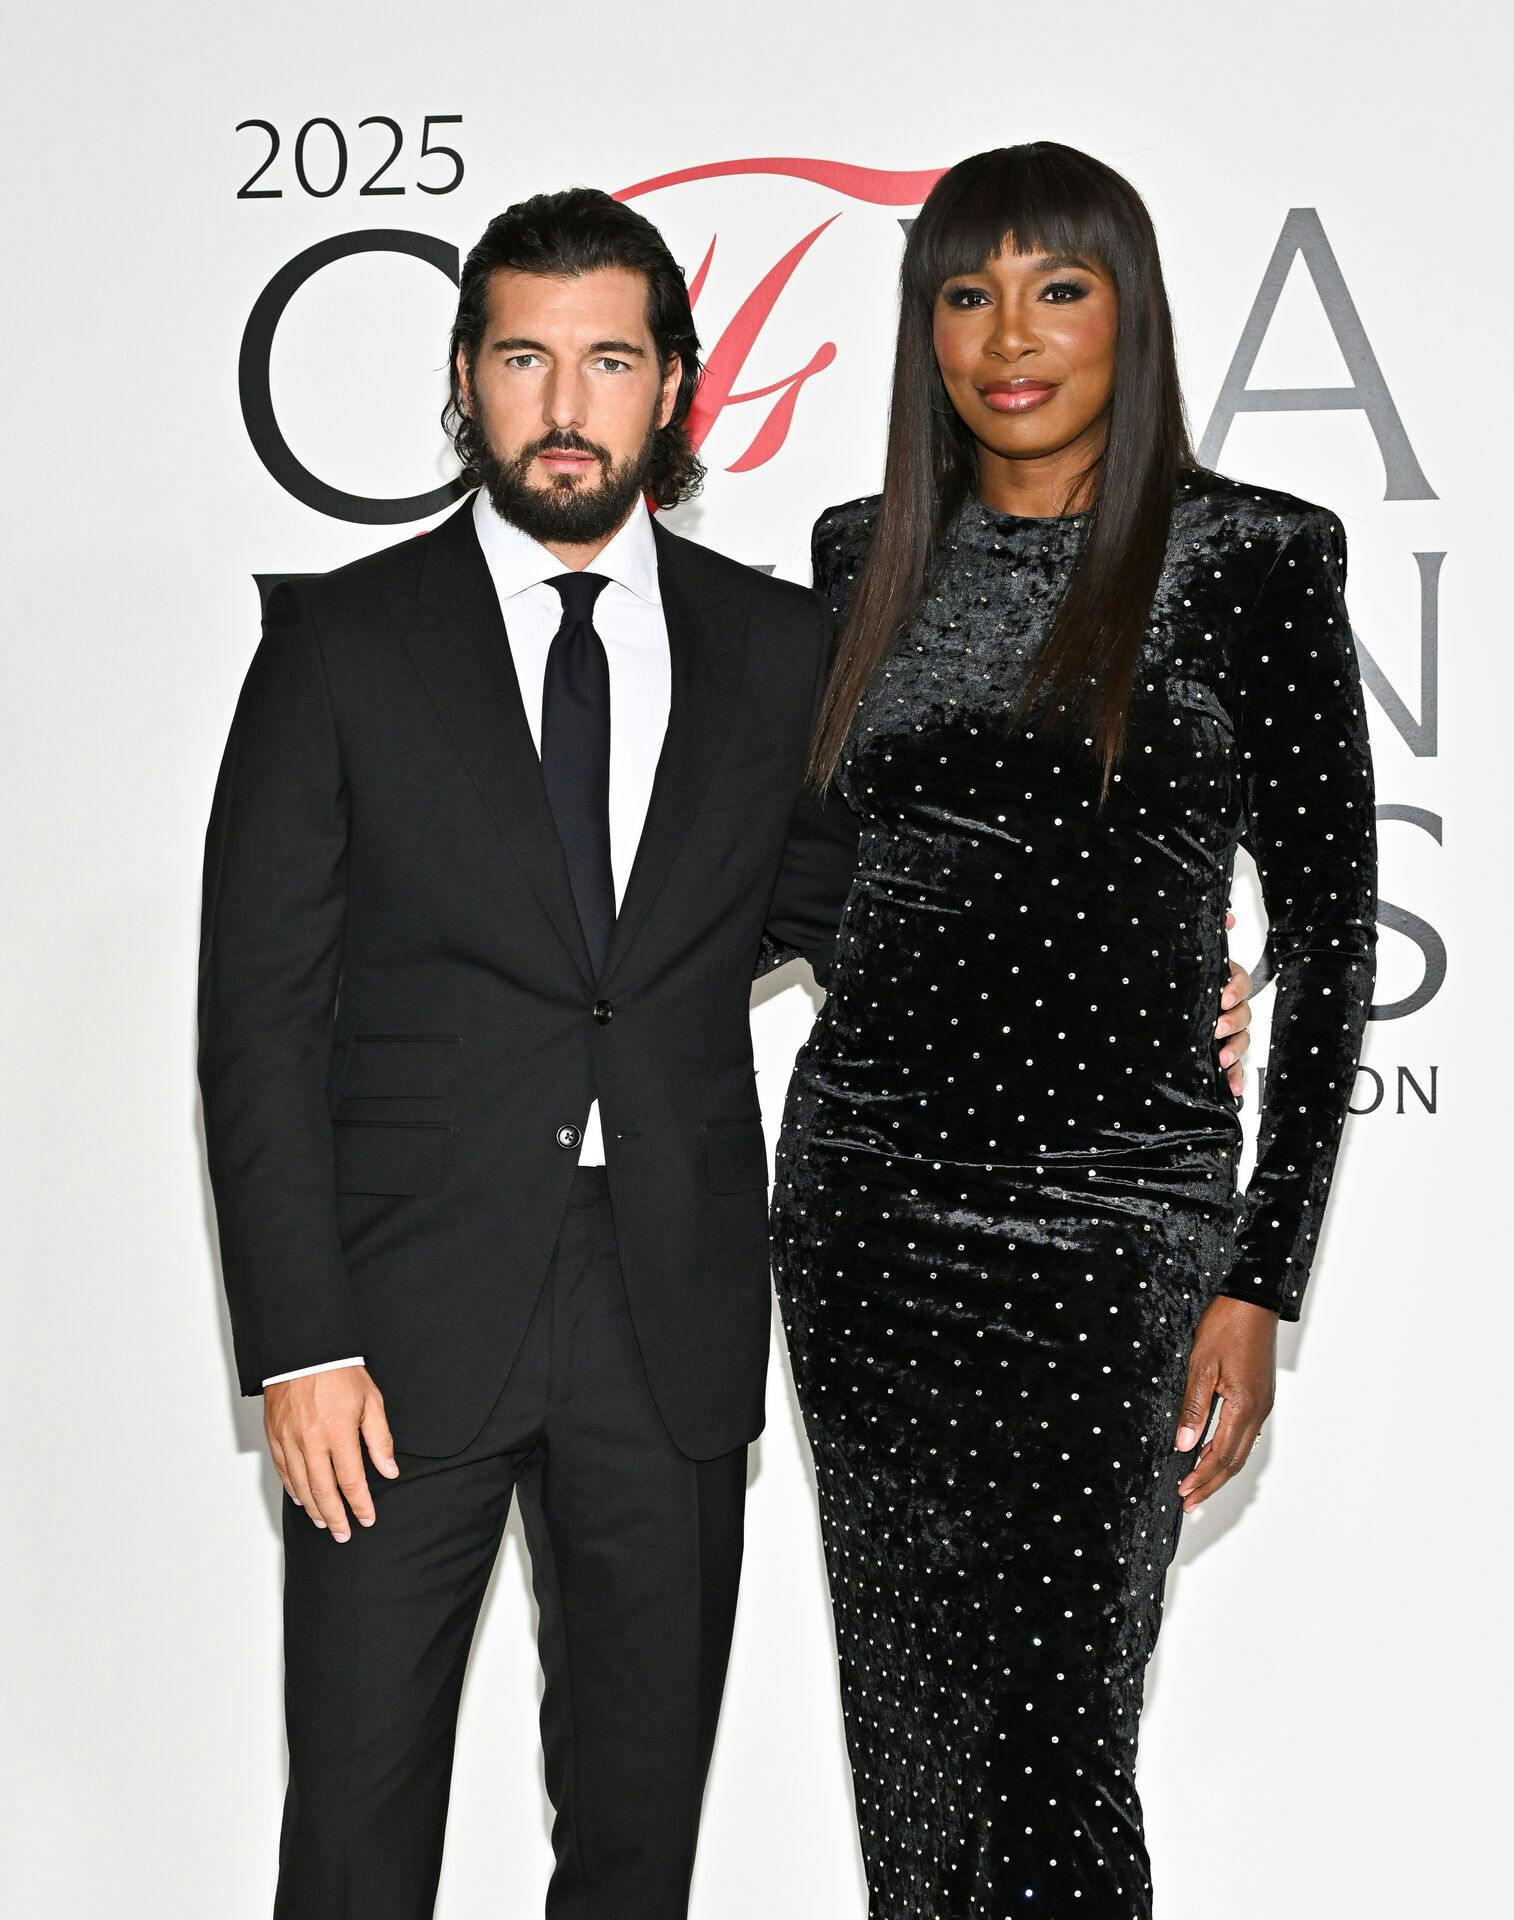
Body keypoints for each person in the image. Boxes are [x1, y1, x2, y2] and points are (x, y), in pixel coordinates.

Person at [198, 182, 1254, 1919]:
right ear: (465, 380)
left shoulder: (781, 647)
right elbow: (255, 1017)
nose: (564, 404)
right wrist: (299, 1340)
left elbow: (894, 919)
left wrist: (1157, 993)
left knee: (637, 1844)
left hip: (669, 1315)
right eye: (524, 358)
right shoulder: (339, 646)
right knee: (356, 1832)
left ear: (673, 386)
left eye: (609, 359)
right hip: (396, 1333)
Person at [770, 140, 1377, 1918]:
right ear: (924, 328)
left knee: (1049, 1752)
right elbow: (800, 882)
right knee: (918, 1741)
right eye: (966, 294)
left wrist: (1261, 1278)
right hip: (868, 1206)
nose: (1008, 337)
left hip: (1113, 1227)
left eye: (1058, 289)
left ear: (1133, 314)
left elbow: (1331, 931)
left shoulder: (1251, 555)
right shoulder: (862, 554)